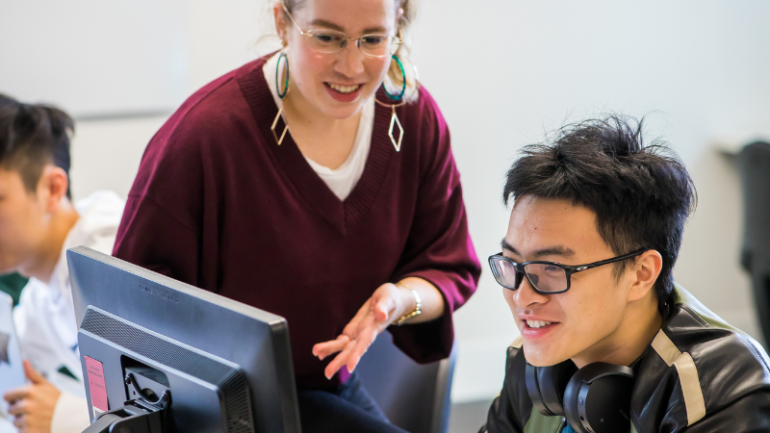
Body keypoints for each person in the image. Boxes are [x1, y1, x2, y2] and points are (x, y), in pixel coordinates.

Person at [112, 0, 480, 431]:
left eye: (373, 39)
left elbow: (446, 265)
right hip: (220, 405)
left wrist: (400, 300)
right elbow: (129, 308)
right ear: (282, 23)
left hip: (325, 387)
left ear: (397, 26)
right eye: (327, 37)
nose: (352, 65)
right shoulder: (204, 138)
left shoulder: (412, 120)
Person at [481, 116, 770, 433]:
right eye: (511, 262)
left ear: (641, 273)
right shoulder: (532, 364)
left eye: (551, 269)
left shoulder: (722, 386)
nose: (522, 296)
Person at [0, 94, 125, 433]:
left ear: (52, 189)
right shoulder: (43, 287)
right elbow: (19, 355)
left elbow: (172, 409)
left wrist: (64, 418)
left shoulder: (111, 258)